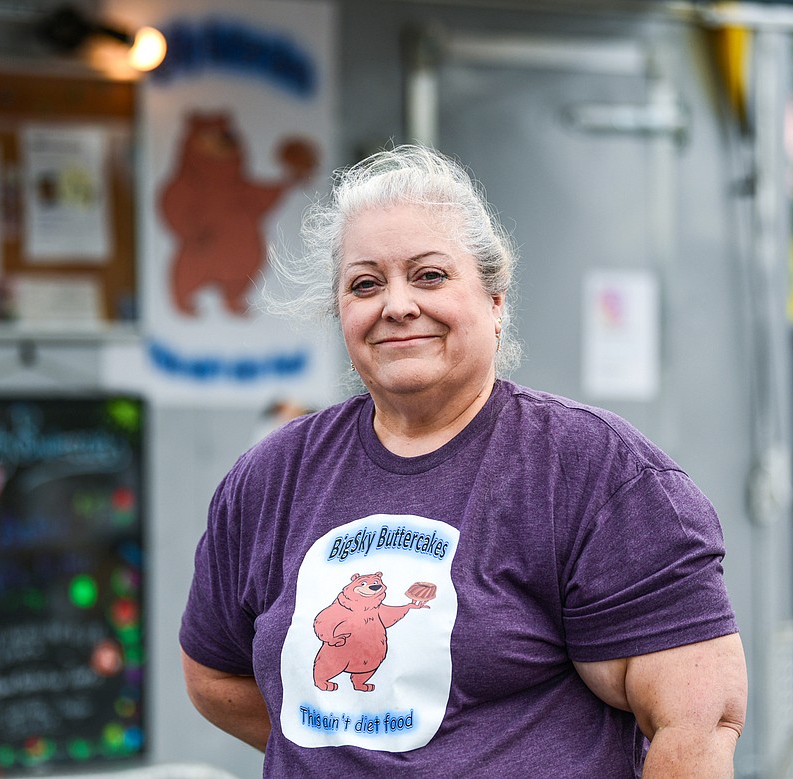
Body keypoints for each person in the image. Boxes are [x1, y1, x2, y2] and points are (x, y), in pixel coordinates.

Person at [179, 145, 747, 777]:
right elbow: (213, 674)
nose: (396, 306)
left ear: (496, 301)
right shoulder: (273, 476)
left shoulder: (597, 473)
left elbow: (698, 722)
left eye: (429, 276)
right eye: (365, 284)